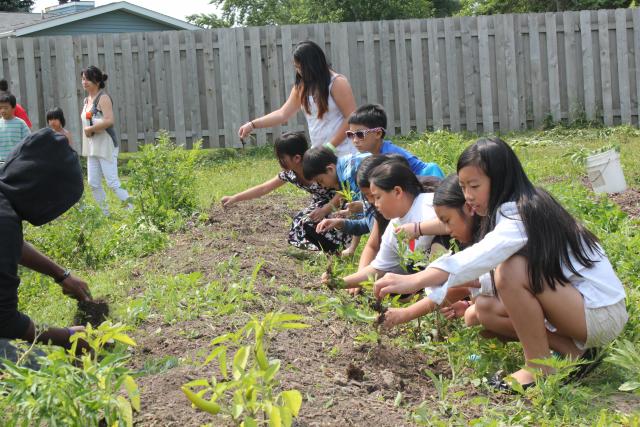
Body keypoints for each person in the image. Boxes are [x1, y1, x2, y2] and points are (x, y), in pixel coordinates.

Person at [374, 137, 628, 391]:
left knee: (510, 271)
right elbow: (486, 274)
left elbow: (482, 256)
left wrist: (416, 280)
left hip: (599, 312)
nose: (468, 196)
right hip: (583, 309)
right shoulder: (514, 208)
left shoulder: (519, 213)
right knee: (487, 306)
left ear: (500, 179)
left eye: (474, 185)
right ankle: (571, 352)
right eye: (463, 187)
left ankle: (539, 367)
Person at [0, 128, 93, 350]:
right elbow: (4, 322)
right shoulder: (3, 221)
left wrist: (61, 275)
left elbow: (11, 246)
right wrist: (68, 336)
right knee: (29, 365)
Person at [221, 132, 351, 253]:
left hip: (341, 200)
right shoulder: (290, 174)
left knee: (329, 221)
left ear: (296, 158)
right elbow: (264, 188)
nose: (279, 162)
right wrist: (235, 197)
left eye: (282, 158)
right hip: (320, 203)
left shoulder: (316, 164)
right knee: (301, 222)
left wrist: (326, 209)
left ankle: (343, 247)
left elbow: (346, 186)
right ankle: (330, 250)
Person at [238, 41, 357, 157]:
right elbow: (282, 114)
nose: (300, 72)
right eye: (297, 67)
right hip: (320, 152)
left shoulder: (337, 83)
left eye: (302, 68)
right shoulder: (301, 87)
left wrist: (330, 146)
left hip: (345, 152)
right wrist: (252, 125)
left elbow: (351, 117)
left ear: (314, 64)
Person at [80, 65, 131, 215]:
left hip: (106, 145)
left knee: (112, 182)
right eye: (83, 79)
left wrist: (90, 129)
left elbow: (109, 121)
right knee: (93, 183)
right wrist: (89, 131)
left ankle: (133, 210)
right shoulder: (86, 100)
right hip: (92, 147)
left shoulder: (103, 98)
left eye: (87, 79)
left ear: (96, 80)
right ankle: (105, 214)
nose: (84, 82)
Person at [347, 104, 444, 178]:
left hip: (428, 178)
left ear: (378, 133)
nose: (355, 140)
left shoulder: (389, 156)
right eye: (351, 135)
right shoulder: (374, 154)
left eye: (360, 134)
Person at [0, 93, 30, 162]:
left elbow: (28, 141)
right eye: (0, 108)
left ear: (14, 108)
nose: (3, 110)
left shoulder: (20, 123)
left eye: (6, 108)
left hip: (16, 162)